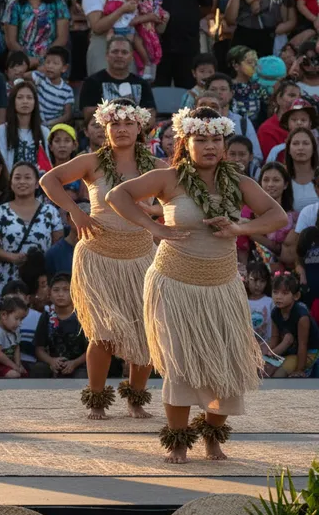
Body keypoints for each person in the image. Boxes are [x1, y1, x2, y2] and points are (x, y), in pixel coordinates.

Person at [107, 106, 286, 462]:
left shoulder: (239, 183)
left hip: (221, 286)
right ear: (185, 142)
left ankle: (213, 437)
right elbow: (117, 196)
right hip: (175, 284)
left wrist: (240, 229)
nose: (209, 146)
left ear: (224, 142)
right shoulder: (169, 179)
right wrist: (156, 228)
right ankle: (177, 439)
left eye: (216, 139)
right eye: (200, 139)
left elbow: (277, 216)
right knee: (183, 362)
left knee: (225, 363)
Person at [41, 99, 163, 418]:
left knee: (144, 332)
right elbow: (48, 180)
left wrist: (157, 211)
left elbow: (184, 198)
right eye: (114, 124)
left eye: (128, 123)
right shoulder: (92, 161)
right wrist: (76, 210)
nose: (121, 129)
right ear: (104, 129)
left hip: (141, 257)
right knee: (104, 333)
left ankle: (136, 399)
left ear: (140, 127)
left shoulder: (156, 166)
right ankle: (97, 400)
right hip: (98, 256)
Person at [0, 161, 62, 299]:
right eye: (17, 177)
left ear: (37, 183)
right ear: (11, 183)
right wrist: (12, 257)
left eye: (27, 177)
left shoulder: (50, 212)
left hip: (41, 282)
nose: (22, 182)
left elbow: (57, 247)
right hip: (9, 280)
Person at [3, 0, 69, 67]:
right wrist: (27, 59)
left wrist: (44, 59)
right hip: (21, 62)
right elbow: (11, 41)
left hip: (49, 63)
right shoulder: (13, 6)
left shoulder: (58, 5)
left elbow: (62, 38)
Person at [78, 34, 156, 121]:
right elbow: (88, 114)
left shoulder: (142, 84)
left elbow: (151, 115)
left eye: (124, 52)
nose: (119, 55)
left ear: (131, 57)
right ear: (107, 55)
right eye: (115, 51)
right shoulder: (92, 82)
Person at [238, 162, 297, 270]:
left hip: (281, 278)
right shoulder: (246, 213)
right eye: (266, 180)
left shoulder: (293, 219)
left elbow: (288, 256)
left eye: (276, 180)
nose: (270, 184)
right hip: (248, 273)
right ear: (260, 183)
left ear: (286, 184)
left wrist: (249, 229)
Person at [33, 273, 87, 378]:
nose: (60, 294)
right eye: (56, 290)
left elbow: (92, 348)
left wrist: (74, 363)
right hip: (54, 364)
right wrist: (51, 361)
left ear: (74, 292)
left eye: (66, 290)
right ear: (50, 294)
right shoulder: (47, 314)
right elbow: (39, 349)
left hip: (79, 365)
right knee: (39, 369)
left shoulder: (84, 316)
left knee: (82, 375)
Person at [0, 79, 51, 173]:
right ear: (13, 101)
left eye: (29, 97)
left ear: (35, 102)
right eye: (20, 97)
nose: (25, 101)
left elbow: (48, 165)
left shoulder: (45, 132)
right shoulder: (1, 131)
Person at [268, 271, 319, 378]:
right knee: (266, 371)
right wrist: (266, 355)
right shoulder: (275, 312)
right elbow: (274, 338)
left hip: (308, 352)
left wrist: (299, 370)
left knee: (278, 375)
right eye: (275, 292)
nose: (278, 297)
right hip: (290, 350)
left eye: (285, 293)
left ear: (296, 296)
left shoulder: (301, 315)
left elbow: (303, 345)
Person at [202, 73, 263, 161]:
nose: (218, 92)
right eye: (213, 89)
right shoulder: (197, 122)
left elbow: (256, 156)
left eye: (223, 89)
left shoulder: (243, 122)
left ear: (232, 93)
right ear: (206, 93)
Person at [0, 295, 28, 378]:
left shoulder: (15, 330)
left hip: (9, 362)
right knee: (14, 375)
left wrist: (18, 364)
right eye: (16, 318)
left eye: (21, 320)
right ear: (4, 315)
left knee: (24, 374)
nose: (19, 323)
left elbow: (16, 347)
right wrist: (14, 366)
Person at [262, 94, 314, 163]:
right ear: (287, 123)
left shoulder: (317, 148)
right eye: (294, 120)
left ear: (310, 123)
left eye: (303, 120)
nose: (299, 123)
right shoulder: (277, 151)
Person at [285, 127, 319, 212]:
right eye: (295, 143)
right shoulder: (282, 177)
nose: (300, 148)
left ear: (313, 148)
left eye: (306, 143)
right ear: (288, 149)